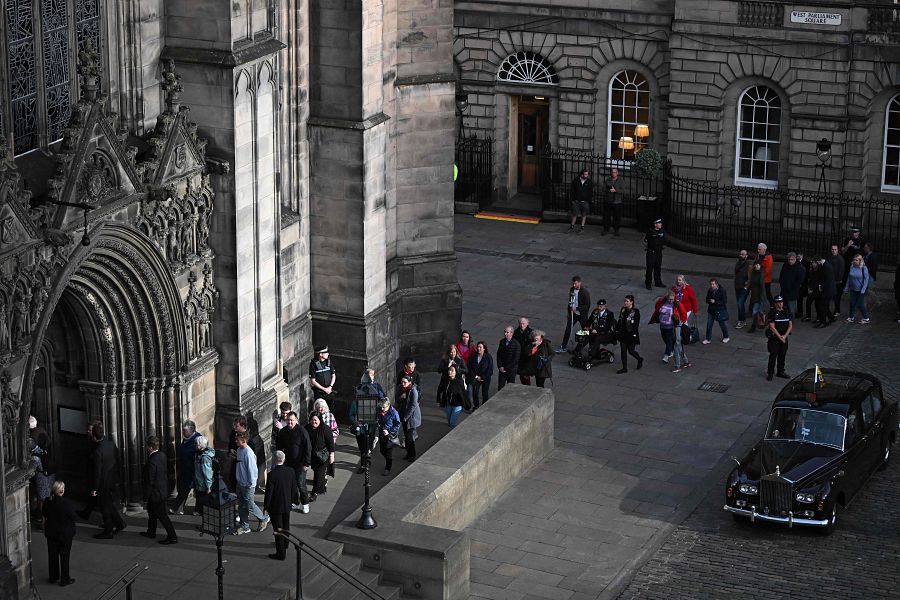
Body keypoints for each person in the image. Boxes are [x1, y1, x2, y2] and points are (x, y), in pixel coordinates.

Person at [90, 422, 125, 540]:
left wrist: (94, 488)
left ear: (94, 437)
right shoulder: (110, 444)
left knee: (104, 507)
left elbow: (97, 472)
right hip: (112, 479)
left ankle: (108, 531)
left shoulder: (98, 452)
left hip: (103, 483)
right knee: (109, 504)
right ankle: (120, 523)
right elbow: (118, 460)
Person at [141, 435, 177, 545]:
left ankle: (172, 537)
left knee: (162, 516)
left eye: (147, 446)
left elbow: (150, 481)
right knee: (151, 513)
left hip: (156, 494)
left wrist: (146, 497)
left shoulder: (152, 461)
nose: (146, 447)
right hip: (162, 490)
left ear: (150, 447)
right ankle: (151, 532)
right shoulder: (162, 455)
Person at [263, 451, 299, 561]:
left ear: (274, 459)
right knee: (286, 525)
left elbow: (269, 493)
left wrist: (266, 507)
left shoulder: (272, 475)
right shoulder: (290, 471)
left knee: (278, 529)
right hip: (287, 504)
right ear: (284, 459)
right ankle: (286, 543)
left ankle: (281, 553)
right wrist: (295, 500)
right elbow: (294, 487)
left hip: (276, 507)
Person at [233, 430, 270, 534]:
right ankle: (244, 526)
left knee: (249, 504)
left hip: (248, 485)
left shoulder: (248, 454)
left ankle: (263, 518)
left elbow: (253, 471)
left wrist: (251, 485)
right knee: (241, 505)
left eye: (238, 439)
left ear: (244, 440)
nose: (235, 441)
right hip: (240, 483)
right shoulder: (240, 450)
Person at [42, 480, 77, 586]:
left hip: (51, 533)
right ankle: (64, 579)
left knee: (52, 556)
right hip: (64, 534)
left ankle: (53, 577)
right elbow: (74, 517)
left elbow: (44, 514)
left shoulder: (48, 501)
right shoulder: (65, 503)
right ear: (62, 490)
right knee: (64, 556)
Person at [275, 411, 311, 513]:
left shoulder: (302, 431)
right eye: (288, 420)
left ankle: (305, 503)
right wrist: (279, 460)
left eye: (292, 420)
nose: (290, 422)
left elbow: (308, 448)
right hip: (288, 462)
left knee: (300, 483)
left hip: (300, 463)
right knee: (291, 484)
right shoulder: (283, 432)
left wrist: (306, 463)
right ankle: (295, 502)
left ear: (296, 420)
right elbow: (279, 447)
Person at [170, 421, 200, 515]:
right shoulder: (186, 439)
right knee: (183, 490)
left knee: (198, 492)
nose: (183, 432)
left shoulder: (198, 439)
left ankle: (198, 510)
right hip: (185, 470)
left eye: (184, 430)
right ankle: (177, 508)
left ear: (191, 431)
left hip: (194, 471)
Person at [559, 275, 591, 353]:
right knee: (568, 329)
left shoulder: (585, 293)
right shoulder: (572, 289)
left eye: (575, 283)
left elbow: (587, 306)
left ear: (579, 283)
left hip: (582, 315)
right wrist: (569, 312)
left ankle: (591, 345)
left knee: (586, 330)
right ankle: (563, 346)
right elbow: (570, 301)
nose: (574, 285)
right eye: (573, 283)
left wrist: (577, 308)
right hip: (573, 314)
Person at [306, 414, 335, 498]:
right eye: (312, 420)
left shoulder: (325, 429)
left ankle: (314, 492)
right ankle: (322, 488)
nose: (313, 422)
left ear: (320, 420)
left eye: (315, 420)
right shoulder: (307, 428)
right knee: (316, 471)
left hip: (322, 455)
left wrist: (331, 455)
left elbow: (330, 443)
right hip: (312, 455)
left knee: (318, 474)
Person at [766, 295, 793, 381]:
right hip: (774, 338)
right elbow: (772, 327)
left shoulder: (786, 312)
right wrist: (780, 337)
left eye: (781, 302)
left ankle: (780, 371)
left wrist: (784, 336)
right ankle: (770, 373)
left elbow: (790, 325)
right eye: (778, 303)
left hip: (784, 337)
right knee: (773, 356)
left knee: (782, 355)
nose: (780, 304)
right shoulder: (772, 313)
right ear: (775, 303)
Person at [396, 375, 421, 462]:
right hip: (403, 414)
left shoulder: (413, 391)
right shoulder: (400, 388)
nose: (403, 384)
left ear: (410, 382)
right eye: (402, 382)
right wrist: (401, 397)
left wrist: (406, 417)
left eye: (405, 382)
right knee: (406, 436)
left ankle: (412, 455)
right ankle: (408, 453)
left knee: (410, 437)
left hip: (411, 418)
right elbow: (397, 399)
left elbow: (413, 406)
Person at [615, 295, 642, 374]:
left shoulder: (635, 311)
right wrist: (617, 330)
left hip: (631, 334)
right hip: (623, 334)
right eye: (625, 301)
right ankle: (624, 368)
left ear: (631, 302)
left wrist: (633, 334)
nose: (625, 303)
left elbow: (636, 324)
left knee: (631, 351)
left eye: (627, 301)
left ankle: (639, 359)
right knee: (623, 351)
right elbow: (620, 320)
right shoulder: (623, 310)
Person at [436, 364, 469, 428]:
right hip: (448, 404)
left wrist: (466, 404)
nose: (449, 372)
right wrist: (439, 400)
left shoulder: (459, 382)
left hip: (457, 405)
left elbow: (463, 394)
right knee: (449, 421)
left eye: (452, 370)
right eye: (449, 370)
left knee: (452, 422)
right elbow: (440, 389)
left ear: (456, 372)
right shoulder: (446, 380)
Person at [377, 399, 402, 476]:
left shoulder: (393, 413)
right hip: (382, 434)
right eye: (381, 407)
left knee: (388, 453)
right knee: (382, 450)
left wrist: (389, 431)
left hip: (389, 436)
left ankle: (387, 468)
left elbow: (397, 424)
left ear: (388, 406)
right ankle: (389, 461)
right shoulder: (380, 411)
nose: (382, 409)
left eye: (384, 407)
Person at [655, 292, 682, 362]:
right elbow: (657, 306)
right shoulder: (663, 303)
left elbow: (682, 312)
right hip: (662, 326)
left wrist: (681, 321)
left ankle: (666, 355)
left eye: (672, 299)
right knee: (666, 339)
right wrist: (662, 299)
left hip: (670, 326)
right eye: (670, 299)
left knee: (668, 340)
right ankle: (671, 349)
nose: (671, 301)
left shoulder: (675, 305)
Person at [844, 253, 871, 324]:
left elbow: (866, 279)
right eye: (854, 260)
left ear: (860, 261)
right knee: (852, 303)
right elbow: (849, 278)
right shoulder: (852, 266)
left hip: (861, 289)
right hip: (853, 289)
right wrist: (846, 288)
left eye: (856, 260)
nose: (855, 261)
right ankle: (851, 317)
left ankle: (866, 318)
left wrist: (863, 290)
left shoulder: (864, 268)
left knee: (860, 304)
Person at [467, 341, 493, 409]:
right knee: (475, 392)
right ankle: (476, 406)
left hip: (485, 378)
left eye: (480, 347)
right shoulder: (473, 356)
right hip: (476, 377)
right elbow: (469, 367)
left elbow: (490, 370)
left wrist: (483, 377)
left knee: (485, 393)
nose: (478, 348)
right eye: (477, 347)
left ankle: (484, 407)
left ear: (484, 348)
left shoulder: (488, 357)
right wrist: (476, 376)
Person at [193, 435, 215, 517]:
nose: (194, 445)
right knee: (199, 497)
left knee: (203, 499)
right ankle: (199, 510)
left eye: (195, 444)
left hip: (203, 484)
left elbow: (207, 473)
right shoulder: (199, 454)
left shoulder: (205, 458)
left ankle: (203, 513)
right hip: (199, 482)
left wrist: (209, 486)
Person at [703, 279, 730, 344]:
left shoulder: (722, 291)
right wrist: (710, 300)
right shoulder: (710, 290)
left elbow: (724, 301)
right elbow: (707, 299)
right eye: (711, 284)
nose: (712, 286)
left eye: (713, 284)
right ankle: (708, 339)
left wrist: (715, 302)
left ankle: (726, 337)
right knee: (709, 324)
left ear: (716, 284)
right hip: (711, 310)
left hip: (719, 310)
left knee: (722, 324)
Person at [778, 252, 806, 317]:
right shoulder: (785, 265)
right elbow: (781, 275)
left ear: (795, 259)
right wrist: (782, 284)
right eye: (789, 259)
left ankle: (791, 322)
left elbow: (799, 281)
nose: (790, 261)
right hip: (784, 290)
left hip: (792, 292)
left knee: (791, 309)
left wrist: (792, 288)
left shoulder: (800, 268)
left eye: (792, 259)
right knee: (784, 307)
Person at [308, 345, 336, 409]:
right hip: (319, 393)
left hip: (329, 391)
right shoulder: (313, 364)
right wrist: (324, 389)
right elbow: (313, 381)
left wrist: (330, 387)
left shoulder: (328, 362)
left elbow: (333, 375)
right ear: (321, 354)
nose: (328, 354)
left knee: (330, 409)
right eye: (326, 353)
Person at [813, 256, 836, 328]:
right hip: (827, 290)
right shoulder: (825, 265)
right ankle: (831, 318)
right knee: (824, 306)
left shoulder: (826, 266)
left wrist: (821, 286)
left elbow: (828, 280)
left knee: (823, 306)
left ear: (819, 261)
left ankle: (823, 322)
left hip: (827, 291)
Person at [495, 325, 520, 391]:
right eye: (505, 332)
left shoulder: (516, 344)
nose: (505, 333)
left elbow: (516, 359)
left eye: (507, 332)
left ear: (511, 333)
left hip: (511, 370)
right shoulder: (502, 342)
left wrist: (505, 368)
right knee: (500, 386)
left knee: (510, 387)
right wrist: (500, 366)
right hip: (502, 369)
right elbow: (499, 354)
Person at [568, 167, 592, 234]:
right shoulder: (575, 181)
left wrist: (588, 201)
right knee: (574, 214)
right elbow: (572, 191)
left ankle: (582, 228)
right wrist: (572, 200)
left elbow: (590, 192)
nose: (586, 176)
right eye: (585, 174)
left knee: (584, 215)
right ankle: (571, 227)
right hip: (576, 201)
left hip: (585, 202)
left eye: (587, 174)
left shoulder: (589, 182)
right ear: (581, 174)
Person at [671, 300, 692, 373]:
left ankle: (677, 366)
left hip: (678, 343)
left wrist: (676, 344)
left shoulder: (677, 327)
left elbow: (678, 338)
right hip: (681, 341)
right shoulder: (680, 324)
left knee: (676, 354)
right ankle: (686, 362)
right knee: (682, 352)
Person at [644, 218, 665, 290]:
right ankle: (648, 283)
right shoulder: (650, 231)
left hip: (659, 253)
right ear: (655, 224)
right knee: (649, 268)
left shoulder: (662, 231)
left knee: (658, 268)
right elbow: (646, 240)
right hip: (651, 252)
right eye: (659, 223)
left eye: (661, 223)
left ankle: (658, 282)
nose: (661, 224)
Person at [602, 167, 624, 236]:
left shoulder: (621, 181)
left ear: (617, 173)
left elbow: (623, 191)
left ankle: (616, 230)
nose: (613, 173)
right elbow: (603, 188)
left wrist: (616, 190)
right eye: (612, 172)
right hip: (608, 201)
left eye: (614, 172)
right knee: (606, 216)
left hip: (617, 201)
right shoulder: (608, 179)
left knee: (617, 217)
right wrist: (608, 190)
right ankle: (606, 229)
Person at [826, 243, 845, 319]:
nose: (834, 251)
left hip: (836, 282)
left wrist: (837, 280)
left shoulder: (840, 259)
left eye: (835, 249)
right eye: (832, 249)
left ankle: (837, 311)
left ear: (838, 250)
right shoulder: (829, 257)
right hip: (830, 280)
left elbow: (841, 272)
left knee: (836, 297)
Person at [747, 260, 766, 334]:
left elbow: (762, 287)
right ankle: (755, 325)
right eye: (756, 265)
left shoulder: (761, 274)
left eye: (758, 265)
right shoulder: (754, 273)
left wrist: (761, 298)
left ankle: (760, 323)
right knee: (756, 311)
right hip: (755, 295)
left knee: (759, 311)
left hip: (759, 296)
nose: (757, 266)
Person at [513, 317, 534, 385]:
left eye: (523, 323)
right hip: (520, 356)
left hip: (528, 357)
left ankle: (528, 387)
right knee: (522, 374)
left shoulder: (531, 332)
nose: (522, 325)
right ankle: (525, 386)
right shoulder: (516, 332)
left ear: (527, 323)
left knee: (526, 375)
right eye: (520, 323)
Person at [733, 249, 750, 328]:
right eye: (740, 254)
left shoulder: (748, 265)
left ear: (746, 256)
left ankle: (741, 320)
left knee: (740, 303)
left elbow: (750, 277)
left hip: (744, 287)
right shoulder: (738, 263)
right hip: (737, 286)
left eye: (743, 254)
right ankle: (743, 320)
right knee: (740, 303)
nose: (741, 255)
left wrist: (746, 286)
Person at [796, 252, 812, 320]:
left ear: (802, 255)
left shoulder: (806, 263)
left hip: (803, 283)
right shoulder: (796, 261)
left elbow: (807, 274)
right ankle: (799, 311)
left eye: (799, 255)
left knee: (800, 298)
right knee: (798, 298)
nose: (798, 257)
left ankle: (800, 312)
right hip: (797, 283)